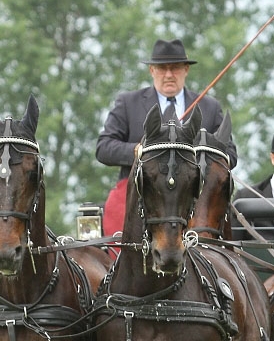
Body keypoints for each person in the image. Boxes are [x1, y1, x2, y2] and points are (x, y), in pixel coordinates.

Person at [96, 38, 237, 237]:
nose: (169, 75)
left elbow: (230, 153)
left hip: (194, 202)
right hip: (140, 198)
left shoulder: (209, 107)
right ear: (152, 70)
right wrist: (139, 151)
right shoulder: (128, 103)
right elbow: (103, 148)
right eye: (162, 68)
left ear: (186, 70)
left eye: (176, 68)